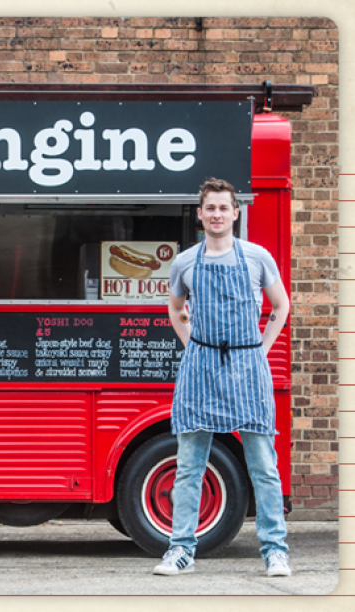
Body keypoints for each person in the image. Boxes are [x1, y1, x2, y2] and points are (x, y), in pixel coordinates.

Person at [153, 177, 292, 577]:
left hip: (248, 368)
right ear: (200, 214)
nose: (216, 214)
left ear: (236, 212)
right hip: (201, 368)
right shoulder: (185, 262)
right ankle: (181, 550)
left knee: (264, 465)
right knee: (189, 465)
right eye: (209, 208)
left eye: (223, 208)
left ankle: (274, 550)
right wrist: (191, 342)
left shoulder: (256, 257)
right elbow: (175, 307)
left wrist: (261, 351)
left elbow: (280, 306)